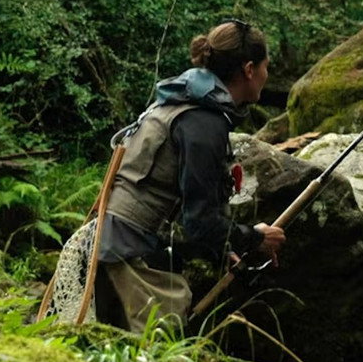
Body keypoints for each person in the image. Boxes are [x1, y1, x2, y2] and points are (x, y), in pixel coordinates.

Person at [93, 20, 285, 333]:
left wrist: (222, 249)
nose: (267, 75)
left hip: (107, 245)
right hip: (128, 259)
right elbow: (200, 222)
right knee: (157, 361)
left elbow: (183, 207)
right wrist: (256, 237)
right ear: (249, 69)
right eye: (266, 66)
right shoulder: (204, 122)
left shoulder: (179, 103)